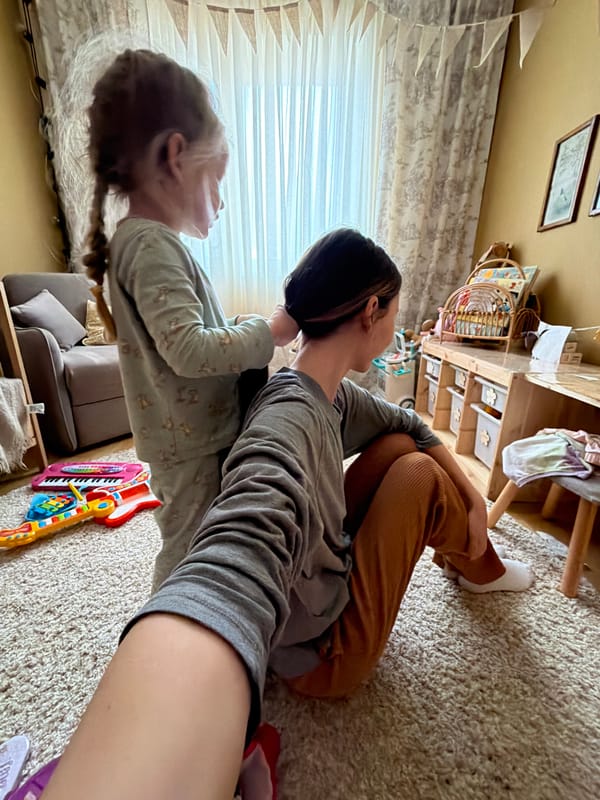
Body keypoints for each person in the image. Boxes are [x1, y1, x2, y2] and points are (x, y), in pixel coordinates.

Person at [42, 229, 533, 800]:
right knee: (418, 476)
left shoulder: (324, 392)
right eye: (393, 314)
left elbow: (412, 424)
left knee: (403, 448)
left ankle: (471, 554)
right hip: (321, 655)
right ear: (370, 310)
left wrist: (473, 498)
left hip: (316, 580)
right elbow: (247, 529)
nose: (394, 329)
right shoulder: (288, 420)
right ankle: (479, 565)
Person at [82, 49, 298, 590]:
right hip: (190, 444)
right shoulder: (150, 246)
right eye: (217, 178)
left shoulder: (146, 243)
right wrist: (268, 332)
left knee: (211, 534)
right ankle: (167, 641)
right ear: (176, 155)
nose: (221, 201)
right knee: (189, 550)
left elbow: (186, 335)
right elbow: (190, 350)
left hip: (197, 435)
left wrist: (242, 328)